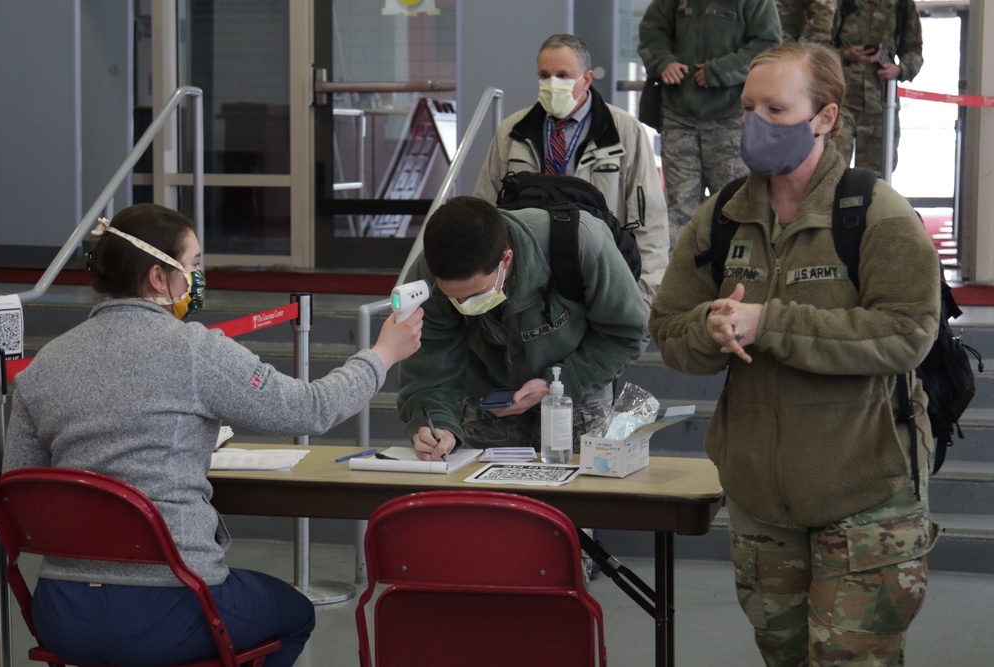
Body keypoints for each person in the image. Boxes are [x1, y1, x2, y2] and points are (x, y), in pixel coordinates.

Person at [3, 203, 423, 667]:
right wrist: (382, 355)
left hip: (62, 612)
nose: (201, 276)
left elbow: (21, 489)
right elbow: (311, 407)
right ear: (159, 278)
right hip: (172, 603)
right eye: (195, 264)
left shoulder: (42, 368)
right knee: (294, 614)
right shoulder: (194, 350)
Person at [649, 42, 940, 665]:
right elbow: (669, 329)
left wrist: (770, 323)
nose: (756, 123)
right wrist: (711, 326)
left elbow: (907, 332)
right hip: (761, 503)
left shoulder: (875, 213)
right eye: (749, 106)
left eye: (776, 109)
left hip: (865, 498)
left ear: (825, 117)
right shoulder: (721, 218)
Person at [396, 196, 646, 460]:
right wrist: (437, 425)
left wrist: (557, 384)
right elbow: (428, 373)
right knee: (487, 492)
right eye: (454, 298)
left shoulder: (582, 242)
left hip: (575, 386)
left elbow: (628, 333)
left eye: (475, 295)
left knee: (576, 488)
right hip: (488, 394)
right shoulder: (430, 274)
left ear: (505, 259)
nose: (463, 304)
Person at [473, 33, 669, 310]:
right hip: (529, 277)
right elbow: (485, 206)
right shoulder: (513, 131)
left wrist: (643, 295)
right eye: (544, 75)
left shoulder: (625, 132)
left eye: (563, 76)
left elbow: (650, 220)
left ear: (586, 79)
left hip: (602, 271)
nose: (552, 84)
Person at [637, 0, 782, 248]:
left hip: (729, 119)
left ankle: (734, 275)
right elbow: (652, 31)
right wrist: (664, 62)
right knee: (679, 210)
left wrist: (720, 70)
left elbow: (768, 45)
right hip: (678, 114)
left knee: (734, 205)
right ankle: (684, 279)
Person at [833, 0, 923, 171]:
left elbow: (914, 51)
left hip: (880, 106)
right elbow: (816, 45)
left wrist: (899, 69)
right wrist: (844, 55)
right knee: (831, 172)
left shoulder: (902, 5)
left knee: (875, 180)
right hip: (840, 102)